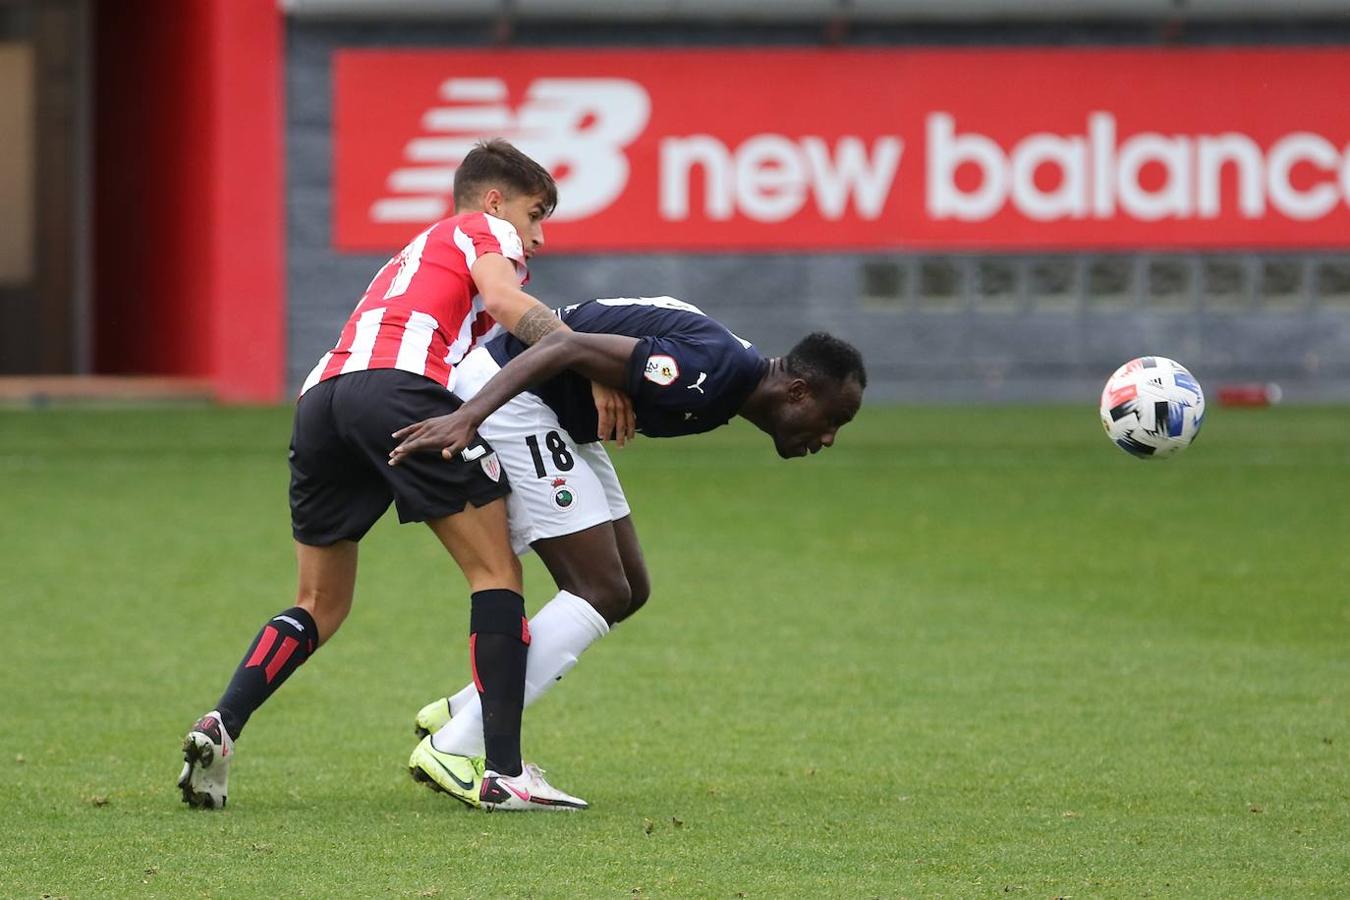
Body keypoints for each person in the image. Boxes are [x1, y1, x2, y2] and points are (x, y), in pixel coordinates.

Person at [176, 140, 632, 813]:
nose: (537, 236)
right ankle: (502, 771)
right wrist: (590, 361)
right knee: (497, 574)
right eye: (536, 214)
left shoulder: (416, 253)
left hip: (321, 401)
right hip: (396, 392)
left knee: (319, 603)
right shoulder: (484, 229)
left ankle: (222, 724)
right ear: (497, 201)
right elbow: (506, 303)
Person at [390, 296, 866, 807]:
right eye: (832, 417)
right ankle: (458, 745)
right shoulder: (710, 372)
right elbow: (564, 344)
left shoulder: (727, 380)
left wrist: (603, 375)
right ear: (797, 390)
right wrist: (468, 417)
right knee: (600, 588)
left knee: (630, 587)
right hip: (514, 398)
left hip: (553, 410)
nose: (831, 437)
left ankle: (462, 710)